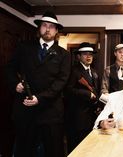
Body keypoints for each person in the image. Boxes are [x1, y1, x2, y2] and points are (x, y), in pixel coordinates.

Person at [6, 11, 71, 157]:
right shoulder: (24, 47)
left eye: (51, 26)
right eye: (44, 25)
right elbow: (10, 68)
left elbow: (61, 81)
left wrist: (40, 98)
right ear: (39, 28)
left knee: (53, 151)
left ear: (56, 31)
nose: (47, 29)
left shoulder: (64, 55)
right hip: (25, 109)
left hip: (51, 111)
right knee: (24, 150)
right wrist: (15, 84)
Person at [64, 42, 100, 153]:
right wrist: (87, 94)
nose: (89, 56)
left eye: (91, 54)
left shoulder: (94, 72)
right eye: (85, 54)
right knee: (76, 149)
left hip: (91, 118)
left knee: (88, 149)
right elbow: (67, 90)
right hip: (76, 119)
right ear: (79, 56)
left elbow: (96, 91)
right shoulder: (73, 71)